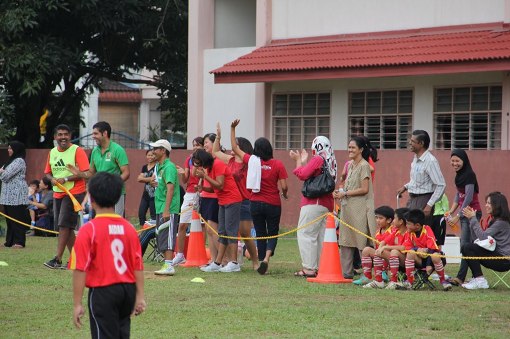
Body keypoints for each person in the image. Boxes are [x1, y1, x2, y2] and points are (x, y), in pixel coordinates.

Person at [70, 172, 146, 338]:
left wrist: (77, 304)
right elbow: (137, 264)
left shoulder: (89, 230)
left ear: (92, 198)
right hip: (127, 291)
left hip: (103, 292)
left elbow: (80, 269)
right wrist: (140, 296)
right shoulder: (129, 228)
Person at [231, 119, 289, 275]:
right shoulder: (278, 164)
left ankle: (263, 263)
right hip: (273, 203)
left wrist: (232, 129)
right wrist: (285, 194)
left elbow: (234, 148)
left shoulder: (252, 161)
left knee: (260, 233)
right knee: (273, 232)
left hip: (255, 202)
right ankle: (266, 259)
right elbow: (283, 186)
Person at [212, 123, 259, 270]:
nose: (233, 149)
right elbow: (215, 152)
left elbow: (234, 147)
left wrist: (232, 129)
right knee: (227, 230)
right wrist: (218, 137)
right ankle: (223, 262)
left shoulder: (249, 160)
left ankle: (255, 261)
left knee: (244, 232)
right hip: (231, 200)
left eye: (236, 146)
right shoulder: (230, 160)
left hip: (245, 201)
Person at [290, 136, 337, 278]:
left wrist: (298, 162)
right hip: (326, 204)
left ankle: (309, 268)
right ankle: (320, 267)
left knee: (306, 234)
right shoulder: (331, 161)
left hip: (313, 203)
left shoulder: (318, 159)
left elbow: (302, 174)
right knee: (321, 237)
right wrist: (304, 162)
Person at [44, 124, 89, 268]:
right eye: (60, 134)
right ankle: (78, 259)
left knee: (64, 225)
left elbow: (85, 173)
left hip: (74, 192)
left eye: (66, 134)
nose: (63, 137)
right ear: (55, 137)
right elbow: (47, 172)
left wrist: (67, 179)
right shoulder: (52, 152)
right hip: (58, 193)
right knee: (65, 227)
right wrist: (51, 179)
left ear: (70, 136)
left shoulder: (77, 150)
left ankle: (57, 259)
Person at [194, 149, 243, 273]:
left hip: (232, 200)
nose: (200, 167)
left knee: (230, 231)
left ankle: (234, 262)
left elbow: (220, 184)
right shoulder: (209, 169)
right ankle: (217, 262)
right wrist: (203, 187)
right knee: (222, 231)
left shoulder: (218, 164)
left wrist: (205, 176)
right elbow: (213, 188)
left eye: (200, 164)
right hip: (222, 201)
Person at [333, 136, 376, 279]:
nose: (350, 150)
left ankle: (368, 273)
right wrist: (339, 193)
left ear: (361, 150)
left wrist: (345, 193)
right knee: (345, 240)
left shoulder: (364, 166)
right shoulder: (350, 164)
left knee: (361, 241)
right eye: (349, 147)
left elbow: (364, 189)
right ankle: (346, 273)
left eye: (353, 148)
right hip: (347, 208)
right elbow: (347, 185)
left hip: (360, 209)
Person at [70, 121, 130, 216]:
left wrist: (112, 184)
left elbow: (126, 173)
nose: (93, 136)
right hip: (100, 193)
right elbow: (91, 173)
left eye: (96, 133)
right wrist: (79, 174)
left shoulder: (118, 150)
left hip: (116, 193)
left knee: (115, 221)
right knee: (101, 221)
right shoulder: (95, 151)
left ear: (105, 133)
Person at [446, 149, 482, 286]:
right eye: (453, 160)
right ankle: (475, 276)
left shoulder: (469, 175)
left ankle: (462, 277)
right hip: (463, 213)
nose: (455, 163)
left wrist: (457, 215)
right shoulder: (459, 176)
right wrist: (451, 210)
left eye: (457, 161)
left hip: (472, 213)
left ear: (464, 161)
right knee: (467, 245)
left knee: (466, 246)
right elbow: (458, 195)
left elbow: (468, 197)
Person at [461, 192, 510, 290]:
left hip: (504, 261)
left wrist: (473, 218)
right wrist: (471, 220)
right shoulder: (496, 221)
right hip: (497, 256)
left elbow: (483, 237)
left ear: (497, 205)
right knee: (468, 247)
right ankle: (478, 279)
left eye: (489, 203)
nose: (486, 205)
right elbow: (478, 240)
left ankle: (480, 280)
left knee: (467, 247)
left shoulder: (501, 222)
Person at [396, 130, 446, 226]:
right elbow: (418, 180)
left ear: (421, 143)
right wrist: (405, 187)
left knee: (420, 232)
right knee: (410, 229)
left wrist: (429, 205)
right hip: (413, 199)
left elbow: (441, 185)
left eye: (413, 141)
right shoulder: (416, 158)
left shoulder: (430, 161)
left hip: (424, 200)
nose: (410, 143)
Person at [401, 209, 452, 291]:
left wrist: (429, 264)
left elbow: (432, 248)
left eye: (408, 223)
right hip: (420, 260)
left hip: (432, 260)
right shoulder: (409, 232)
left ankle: (443, 281)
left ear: (417, 225)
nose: (406, 225)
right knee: (410, 253)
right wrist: (417, 249)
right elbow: (407, 247)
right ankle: (409, 281)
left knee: (435, 256)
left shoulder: (427, 230)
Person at [150, 139, 181, 276]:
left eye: (156, 149)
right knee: (161, 234)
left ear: (163, 151)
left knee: (168, 235)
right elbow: (158, 183)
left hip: (168, 208)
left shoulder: (169, 167)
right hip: (160, 206)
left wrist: (167, 209)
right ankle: (166, 263)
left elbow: (171, 188)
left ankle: (169, 265)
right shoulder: (158, 167)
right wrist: (153, 183)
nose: (153, 151)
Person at [172, 136, 204, 266]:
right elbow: (185, 180)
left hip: (202, 193)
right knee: (182, 224)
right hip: (190, 193)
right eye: (194, 145)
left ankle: (200, 253)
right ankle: (180, 255)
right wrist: (181, 172)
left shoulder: (206, 159)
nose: (195, 147)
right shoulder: (188, 160)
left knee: (201, 225)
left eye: (198, 145)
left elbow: (203, 175)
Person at [352, 205, 394, 287]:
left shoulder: (393, 231)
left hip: (392, 259)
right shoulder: (378, 232)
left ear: (389, 220)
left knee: (382, 251)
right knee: (366, 250)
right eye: (376, 218)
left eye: (381, 218)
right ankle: (366, 276)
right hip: (380, 257)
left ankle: (383, 272)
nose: (377, 220)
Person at [0, 141, 30, 248]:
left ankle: (19, 241)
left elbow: (5, 176)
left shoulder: (19, 161)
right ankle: (9, 241)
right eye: (8, 148)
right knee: (9, 220)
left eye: (11, 148)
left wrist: (2, 171)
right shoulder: (10, 162)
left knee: (17, 219)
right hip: (7, 196)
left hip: (16, 195)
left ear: (16, 150)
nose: (9, 150)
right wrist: (3, 171)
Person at [199, 133, 221, 263]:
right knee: (208, 229)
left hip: (215, 198)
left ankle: (223, 259)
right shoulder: (206, 161)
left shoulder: (218, 160)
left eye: (206, 142)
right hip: (206, 197)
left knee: (213, 229)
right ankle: (213, 259)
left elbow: (217, 184)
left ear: (215, 143)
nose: (204, 145)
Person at [378, 207, 410, 289]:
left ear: (401, 221)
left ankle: (394, 281)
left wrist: (386, 247)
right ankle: (378, 281)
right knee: (370, 251)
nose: (393, 221)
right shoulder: (395, 230)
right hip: (396, 259)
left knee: (394, 251)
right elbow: (384, 241)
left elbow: (403, 248)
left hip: (407, 261)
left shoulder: (409, 232)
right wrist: (381, 247)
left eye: (395, 218)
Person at [137, 150, 156, 226]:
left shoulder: (157, 167)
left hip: (154, 195)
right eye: (148, 155)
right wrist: (149, 179)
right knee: (141, 214)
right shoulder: (144, 167)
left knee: (153, 216)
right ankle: (142, 233)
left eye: (152, 155)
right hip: (145, 195)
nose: (150, 157)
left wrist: (144, 179)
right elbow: (139, 179)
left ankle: (155, 234)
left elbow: (154, 179)